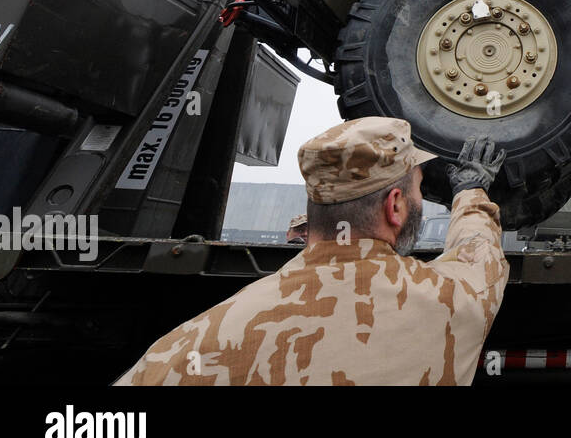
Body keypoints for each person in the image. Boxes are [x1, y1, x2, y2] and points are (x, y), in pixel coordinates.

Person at [115, 117, 508, 385]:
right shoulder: (454, 303)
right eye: (418, 189)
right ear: (395, 205)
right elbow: (478, 252)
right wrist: (470, 191)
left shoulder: (194, 343)